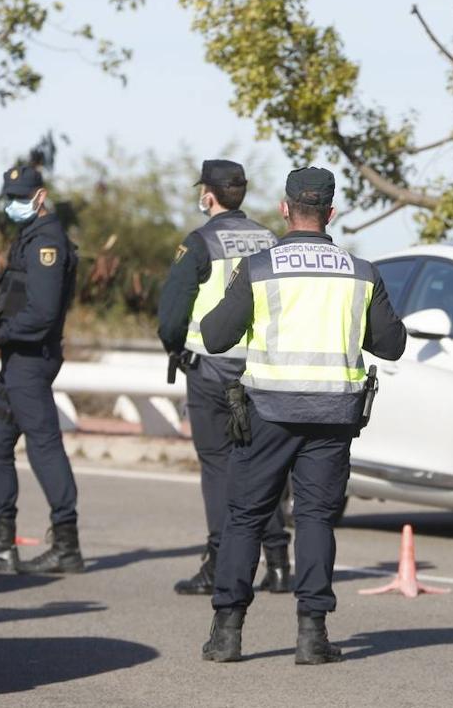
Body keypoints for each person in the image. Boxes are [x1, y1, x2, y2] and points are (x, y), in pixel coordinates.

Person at [197, 167, 407, 665]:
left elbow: (215, 337)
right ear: (331, 214)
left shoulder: (261, 267)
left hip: (268, 411)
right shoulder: (361, 272)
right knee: (314, 518)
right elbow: (392, 345)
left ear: (285, 210)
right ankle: (312, 635)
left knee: (246, 516)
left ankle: (227, 633)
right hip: (333, 416)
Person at [156, 159, 291, 596]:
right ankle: (279, 563)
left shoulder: (198, 243)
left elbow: (172, 314)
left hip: (211, 373)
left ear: (208, 195)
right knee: (262, 468)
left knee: (218, 468)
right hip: (260, 373)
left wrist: (174, 346)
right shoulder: (270, 239)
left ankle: (217, 562)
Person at [0, 164, 81, 575]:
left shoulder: (48, 243)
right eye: (9, 198)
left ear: (40, 196)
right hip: (16, 360)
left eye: (21, 197)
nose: (14, 204)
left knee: (44, 447)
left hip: (31, 358)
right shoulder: (27, 238)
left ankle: (66, 544)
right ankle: (1, 543)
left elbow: (43, 314)